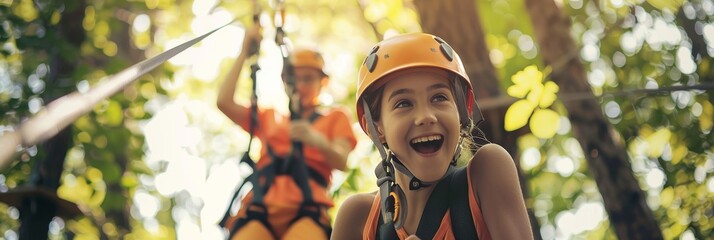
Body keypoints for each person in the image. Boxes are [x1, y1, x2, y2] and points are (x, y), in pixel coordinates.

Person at [331, 33, 533, 240]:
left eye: (439, 97)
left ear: (462, 112)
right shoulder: (359, 218)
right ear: (375, 127)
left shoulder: (487, 172)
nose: (426, 117)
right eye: (403, 103)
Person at [217, 25, 357, 240]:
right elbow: (224, 102)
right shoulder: (269, 117)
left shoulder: (335, 117)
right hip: (259, 207)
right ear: (284, 82)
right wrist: (244, 52)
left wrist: (316, 140)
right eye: (293, 80)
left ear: (323, 82)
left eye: (308, 79)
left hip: (308, 210)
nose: (300, 86)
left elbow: (341, 160)